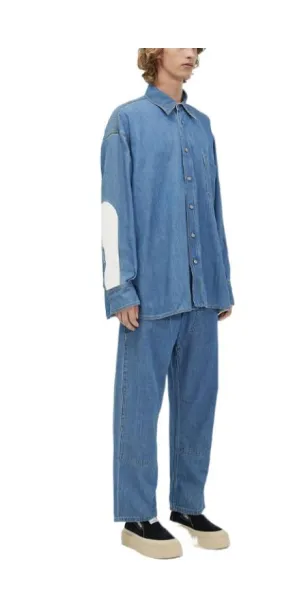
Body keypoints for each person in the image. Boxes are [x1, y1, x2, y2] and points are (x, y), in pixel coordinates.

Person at [100, 48, 235, 559]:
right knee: (139, 406)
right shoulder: (127, 121)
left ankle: (188, 505)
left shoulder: (202, 126)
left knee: (199, 402)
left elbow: (214, 206)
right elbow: (113, 209)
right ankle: (137, 516)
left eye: (197, 47)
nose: (192, 54)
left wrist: (221, 281)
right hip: (150, 293)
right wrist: (120, 288)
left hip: (202, 293)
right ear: (155, 51)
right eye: (182, 43)